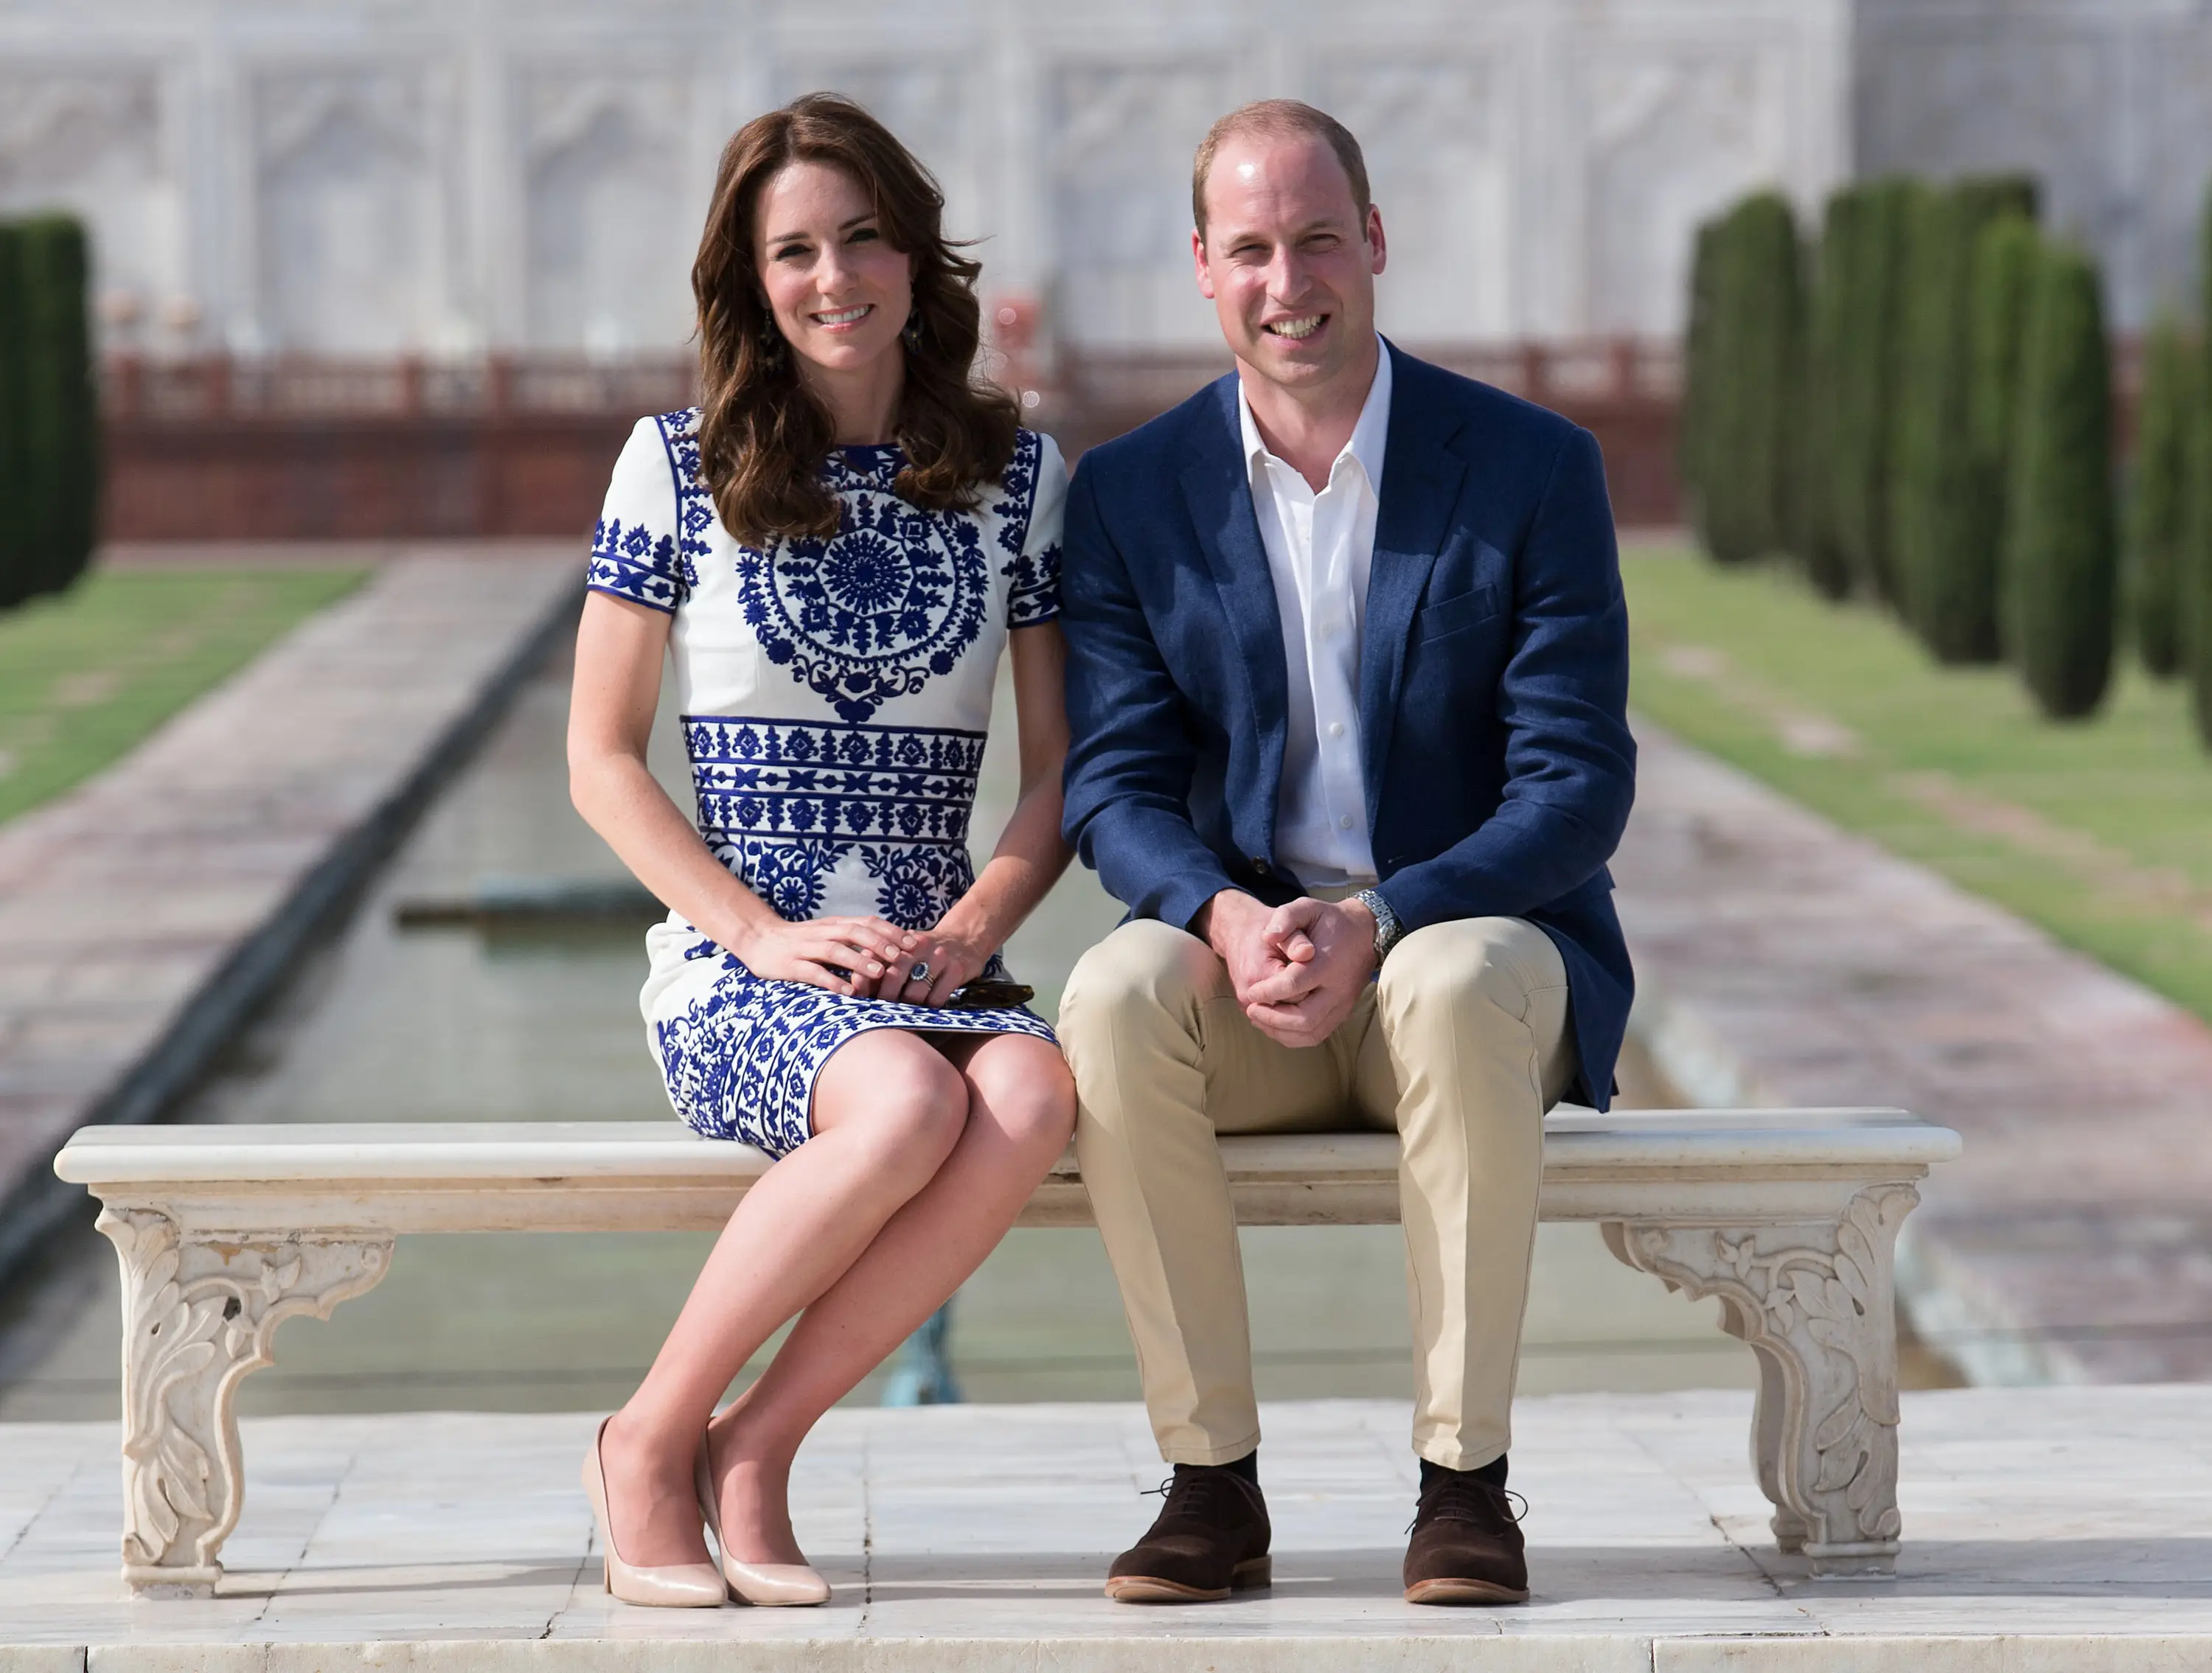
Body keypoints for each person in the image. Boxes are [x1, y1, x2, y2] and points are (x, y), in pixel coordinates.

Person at [1056, 100, 1635, 1607]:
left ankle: (1464, 1489)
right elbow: (1112, 791)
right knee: (1113, 996)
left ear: (1374, 241)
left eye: (1317, 238)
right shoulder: (1130, 496)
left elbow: (1575, 789)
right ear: (1202, 267)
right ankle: (1209, 1485)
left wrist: (1382, 916)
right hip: (1255, 981)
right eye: (1249, 247)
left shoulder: (1525, 468)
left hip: (1466, 960)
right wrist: (1225, 917)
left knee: (1448, 979)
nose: (1286, 279)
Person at [566, 92, 1077, 1609]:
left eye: (862, 238)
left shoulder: (1020, 483)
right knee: (910, 1094)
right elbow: (599, 762)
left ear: (919, 262)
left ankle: (758, 1447)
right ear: (752, 280)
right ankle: (648, 1440)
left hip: (936, 957)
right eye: (794, 250)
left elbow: (1059, 777)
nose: (833, 276)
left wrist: (986, 917)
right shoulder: (673, 468)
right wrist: (763, 937)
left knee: (1036, 1085)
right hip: (745, 968)